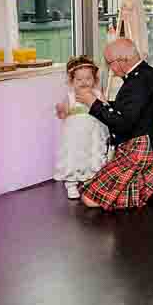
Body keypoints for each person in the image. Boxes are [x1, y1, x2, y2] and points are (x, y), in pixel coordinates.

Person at [76, 37, 153, 209]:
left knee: (89, 199)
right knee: (91, 189)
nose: (110, 69)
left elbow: (122, 124)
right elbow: (134, 111)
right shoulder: (149, 73)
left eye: (109, 63)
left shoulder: (137, 82)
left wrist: (93, 103)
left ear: (121, 61)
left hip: (139, 149)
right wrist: (107, 104)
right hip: (150, 144)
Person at [54, 58, 111, 202]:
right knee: (75, 155)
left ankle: (89, 179)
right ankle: (71, 183)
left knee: (92, 153)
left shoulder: (97, 94)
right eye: (79, 79)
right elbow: (63, 114)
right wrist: (61, 110)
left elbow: (106, 109)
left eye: (88, 78)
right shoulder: (71, 96)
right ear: (72, 81)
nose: (84, 82)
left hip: (93, 132)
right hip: (76, 134)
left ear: (94, 79)